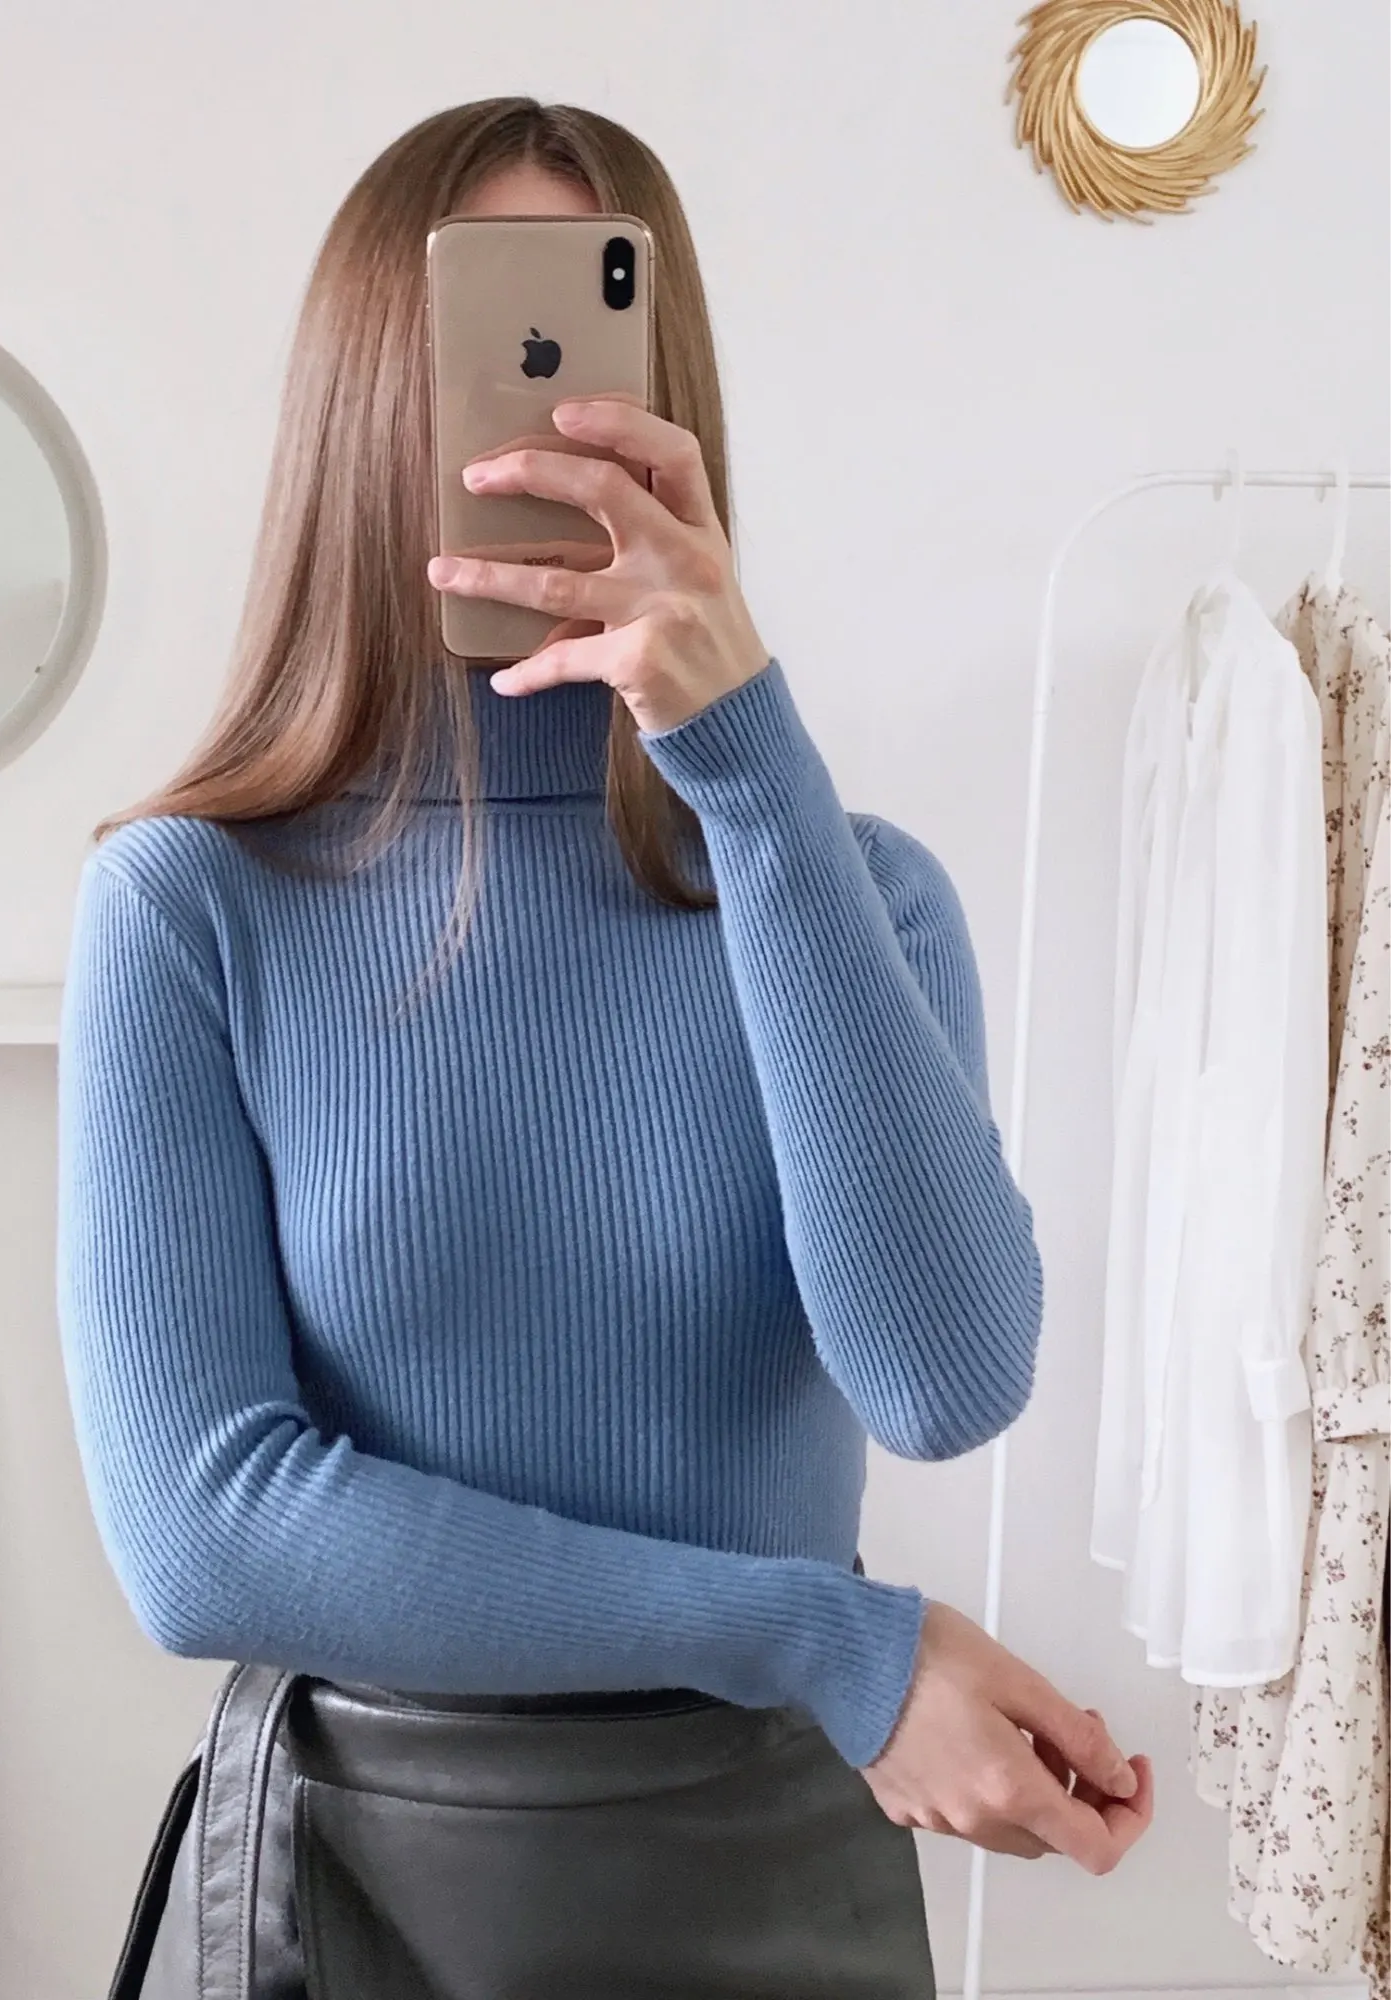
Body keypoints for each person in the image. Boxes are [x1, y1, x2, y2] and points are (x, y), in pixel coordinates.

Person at [56, 95, 1154, 1997]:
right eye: (485, 333)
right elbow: (203, 1537)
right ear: (363, 394)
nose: (536, 418)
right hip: (359, 1881)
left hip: (772, 1868)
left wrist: (746, 762)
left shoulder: (850, 889)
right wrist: (823, 1639)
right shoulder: (195, 902)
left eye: (587, 335)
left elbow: (943, 1378)